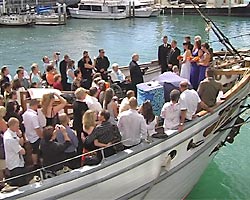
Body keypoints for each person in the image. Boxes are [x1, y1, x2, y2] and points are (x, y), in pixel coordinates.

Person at [4, 117, 28, 186]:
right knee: (21, 184)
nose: (18, 127)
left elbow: (21, 143)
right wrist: (21, 147)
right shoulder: (9, 138)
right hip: (15, 165)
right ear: (12, 125)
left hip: (19, 163)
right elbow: (22, 151)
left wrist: (20, 136)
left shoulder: (13, 133)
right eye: (17, 126)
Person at [22, 99, 42, 168]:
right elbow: (37, 128)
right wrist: (41, 136)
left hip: (29, 135)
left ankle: (35, 163)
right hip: (35, 136)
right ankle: (36, 164)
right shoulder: (33, 116)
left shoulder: (25, 114)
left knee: (34, 150)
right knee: (36, 151)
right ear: (35, 105)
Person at [73, 87, 89, 155]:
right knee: (82, 141)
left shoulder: (75, 103)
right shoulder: (83, 105)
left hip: (76, 123)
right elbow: (84, 116)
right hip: (81, 124)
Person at [0, 106, 7, 188]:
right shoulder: (1, 121)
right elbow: (5, 131)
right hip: (1, 144)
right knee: (2, 165)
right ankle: (2, 182)